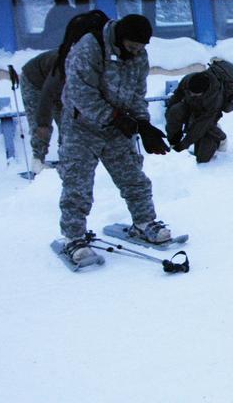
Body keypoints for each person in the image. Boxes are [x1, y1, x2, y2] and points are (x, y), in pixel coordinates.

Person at [56, 14, 172, 264]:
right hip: (81, 127)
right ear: (120, 38)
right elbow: (79, 92)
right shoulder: (89, 47)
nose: (136, 52)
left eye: (141, 48)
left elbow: (137, 93)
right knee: (77, 184)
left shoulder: (139, 55)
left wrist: (143, 124)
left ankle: (143, 222)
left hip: (117, 126)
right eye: (132, 47)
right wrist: (115, 117)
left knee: (134, 177)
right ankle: (73, 237)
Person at [31, 10, 109, 173]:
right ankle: (38, 160)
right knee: (41, 123)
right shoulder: (66, 61)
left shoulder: (93, 57)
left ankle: (66, 157)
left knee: (66, 120)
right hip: (36, 80)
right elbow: (47, 93)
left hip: (65, 87)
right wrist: (43, 123)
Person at [165, 59, 233, 163]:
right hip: (191, 106)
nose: (191, 95)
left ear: (204, 92)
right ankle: (173, 142)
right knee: (175, 111)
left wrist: (183, 145)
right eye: (190, 93)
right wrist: (174, 139)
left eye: (195, 94)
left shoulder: (215, 97)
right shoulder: (187, 80)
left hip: (208, 115)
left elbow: (200, 126)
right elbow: (174, 100)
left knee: (202, 158)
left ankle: (221, 138)